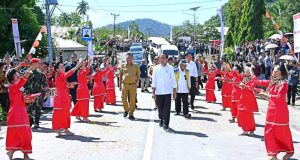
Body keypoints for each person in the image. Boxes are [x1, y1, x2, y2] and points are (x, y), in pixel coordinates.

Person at [256, 64, 294, 160]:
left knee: (282, 132)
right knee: (269, 132)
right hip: (271, 110)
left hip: (281, 111)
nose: (273, 72)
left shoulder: (283, 84)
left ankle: (289, 151)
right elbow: (261, 82)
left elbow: (279, 98)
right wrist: (252, 82)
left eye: (275, 70)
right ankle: (273, 154)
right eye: (273, 70)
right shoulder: (273, 81)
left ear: (279, 72)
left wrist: (265, 95)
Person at [6, 67, 32, 160]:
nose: (18, 74)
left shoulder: (17, 86)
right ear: (13, 76)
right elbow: (21, 82)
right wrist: (25, 76)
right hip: (17, 114)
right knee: (23, 133)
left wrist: (29, 98)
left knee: (23, 133)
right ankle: (19, 153)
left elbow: (21, 97)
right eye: (16, 73)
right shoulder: (13, 86)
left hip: (21, 112)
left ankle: (16, 153)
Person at [52, 60, 82, 136]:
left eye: (63, 66)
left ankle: (66, 129)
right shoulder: (60, 76)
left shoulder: (61, 76)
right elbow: (69, 73)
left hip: (64, 96)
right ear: (57, 70)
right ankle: (58, 130)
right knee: (59, 114)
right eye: (61, 67)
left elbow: (63, 85)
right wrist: (77, 66)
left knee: (66, 113)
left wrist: (70, 84)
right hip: (60, 98)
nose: (63, 68)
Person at [152, 53, 177, 131]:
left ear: (166, 59)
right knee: (160, 108)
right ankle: (161, 119)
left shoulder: (170, 68)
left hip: (167, 92)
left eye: (163, 58)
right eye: (160, 58)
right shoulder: (156, 68)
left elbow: (173, 80)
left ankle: (166, 124)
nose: (162, 60)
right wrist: (153, 92)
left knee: (167, 108)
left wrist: (174, 92)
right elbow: (154, 80)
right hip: (158, 92)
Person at [24, 58, 48, 129]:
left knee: (38, 108)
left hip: (38, 93)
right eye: (38, 63)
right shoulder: (26, 72)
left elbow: (45, 84)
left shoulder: (40, 74)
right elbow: (22, 83)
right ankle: (30, 122)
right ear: (34, 63)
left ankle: (36, 123)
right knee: (29, 109)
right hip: (29, 93)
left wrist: (46, 91)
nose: (39, 64)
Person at [119, 53, 140, 120]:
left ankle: (131, 113)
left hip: (133, 85)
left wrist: (137, 82)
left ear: (132, 59)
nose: (129, 59)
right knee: (123, 99)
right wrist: (119, 84)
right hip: (124, 84)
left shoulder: (136, 66)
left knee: (132, 100)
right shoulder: (122, 65)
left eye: (130, 58)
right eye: (127, 58)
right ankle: (126, 110)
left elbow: (138, 74)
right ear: (126, 58)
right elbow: (120, 75)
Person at [237, 66, 258, 135]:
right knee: (241, 113)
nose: (244, 70)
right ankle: (245, 129)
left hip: (249, 98)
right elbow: (237, 79)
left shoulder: (253, 78)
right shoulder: (244, 76)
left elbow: (251, 87)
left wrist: (243, 85)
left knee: (249, 115)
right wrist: (241, 84)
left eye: (246, 69)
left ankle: (251, 129)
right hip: (242, 97)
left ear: (249, 71)